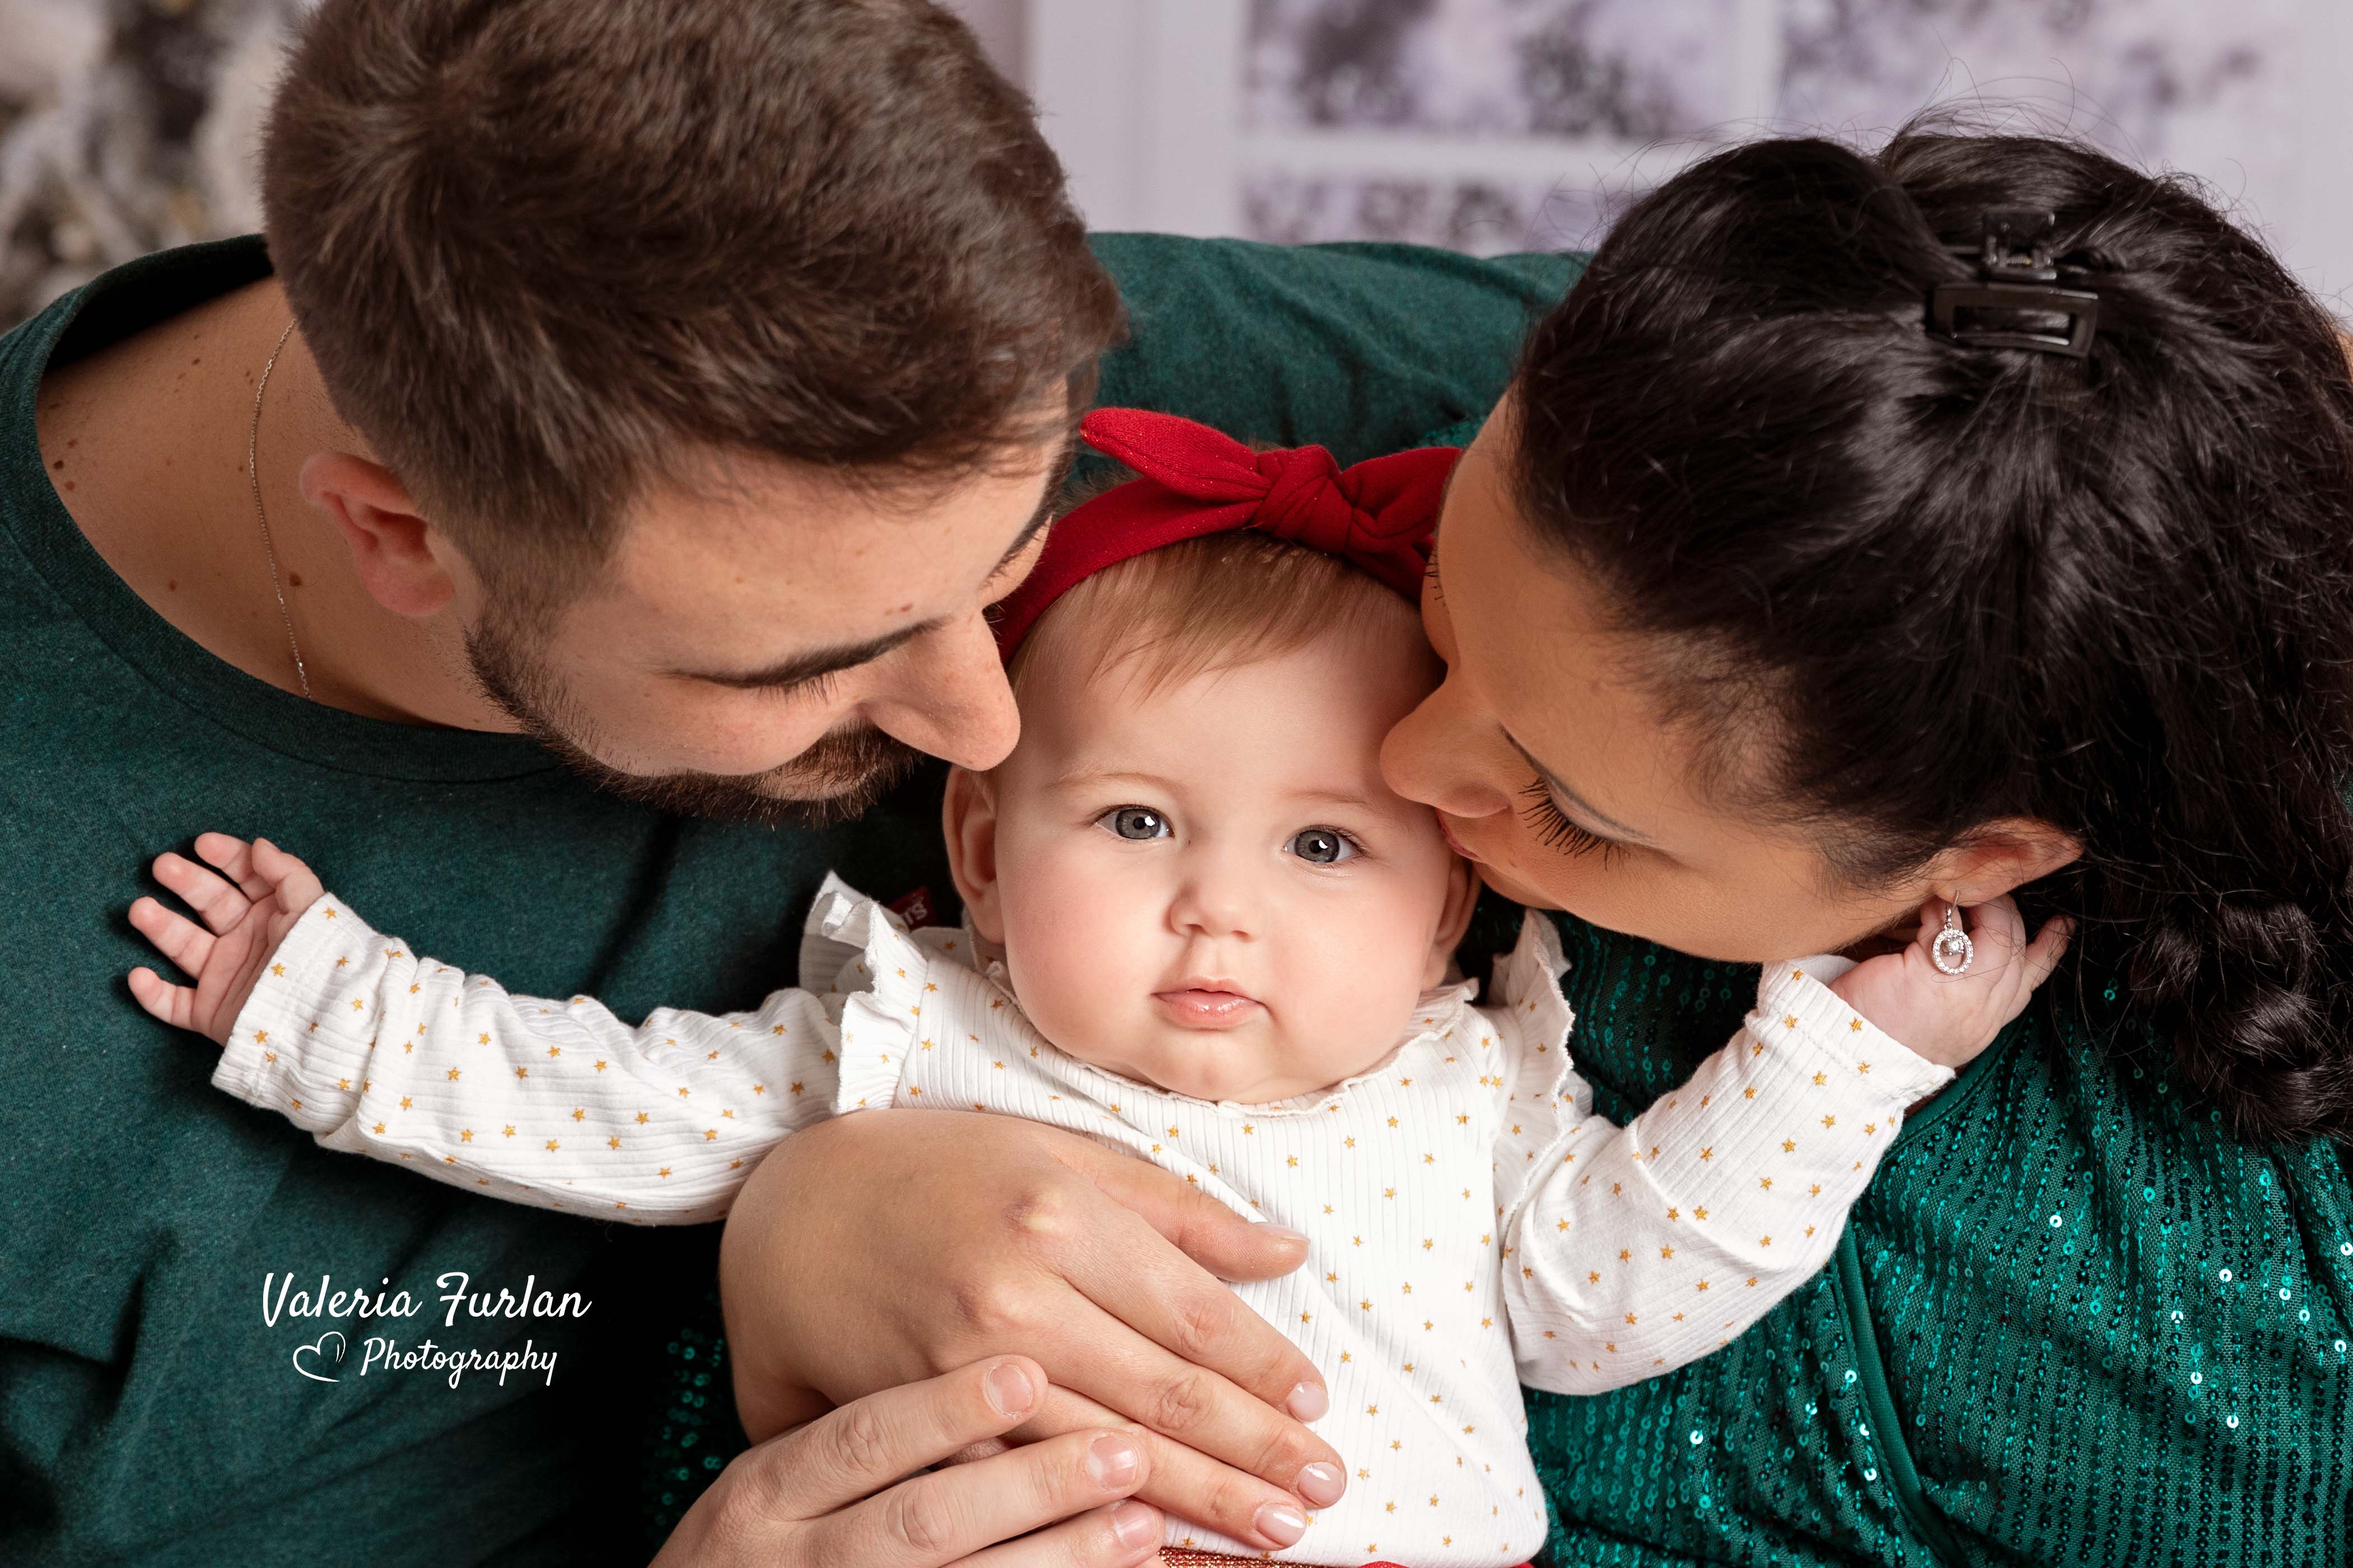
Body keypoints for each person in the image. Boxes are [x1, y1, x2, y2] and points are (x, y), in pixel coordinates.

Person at [7, 0, 1562, 1560]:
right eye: (809, 662)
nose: (982, 725)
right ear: (402, 533)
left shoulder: (943, 345)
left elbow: (1777, 437)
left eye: (1012, 565)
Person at [712, 132, 2353, 1566]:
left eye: (1568, 805)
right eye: (1440, 603)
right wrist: (797, 1241)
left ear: (1976, 860)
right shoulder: (1656, 406)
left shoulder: (2205, 1327)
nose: (1410, 764)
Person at [118, 408, 2069, 1564]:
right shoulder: (907, 1038)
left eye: (1321, 849)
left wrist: (1844, 1048)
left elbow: (1619, 1286)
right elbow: (598, 1096)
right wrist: (319, 1001)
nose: (1215, 915)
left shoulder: (1463, 1089)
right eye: (1133, 824)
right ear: (978, 846)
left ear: (1449, 903)